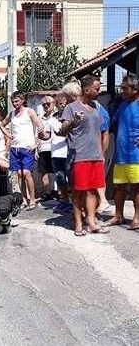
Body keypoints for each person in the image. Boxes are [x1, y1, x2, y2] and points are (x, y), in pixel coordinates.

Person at [59, 75, 109, 236]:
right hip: (79, 156)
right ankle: (79, 224)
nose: (98, 92)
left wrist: (102, 153)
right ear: (86, 90)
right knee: (78, 191)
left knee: (92, 191)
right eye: (96, 89)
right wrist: (73, 121)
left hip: (95, 156)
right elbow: (62, 131)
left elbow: (102, 131)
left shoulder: (96, 107)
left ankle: (92, 222)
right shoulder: (71, 108)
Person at [104, 75, 139, 230]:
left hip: (136, 156)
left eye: (125, 88)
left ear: (135, 90)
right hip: (120, 155)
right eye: (121, 87)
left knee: (137, 188)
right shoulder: (122, 105)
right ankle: (118, 216)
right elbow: (112, 124)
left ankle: (137, 218)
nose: (122, 91)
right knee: (119, 188)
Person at [0, 92, 45, 211]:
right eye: (13, 102)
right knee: (19, 174)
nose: (15, 104)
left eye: (17, 101)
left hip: (27, 147)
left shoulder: (29, 111)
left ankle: (32, 199)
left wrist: (36, 144)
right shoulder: (12, 114)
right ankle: (24, 199)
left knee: (26, 173)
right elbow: (2, 125)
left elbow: (40, 127)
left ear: (22, 100)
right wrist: (8, 135)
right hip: (15, 147)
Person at [37, 96, 57, 202]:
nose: (46, 106)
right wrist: (36, 148)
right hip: (43, 148)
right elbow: (37, 134)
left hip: (55, 147)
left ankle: (56, 191)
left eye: (48, 104)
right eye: (44, 104)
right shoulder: (40, 118)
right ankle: (47, 192)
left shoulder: (57, 117)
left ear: (53, 104)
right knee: (43, 171)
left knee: (54, 171)